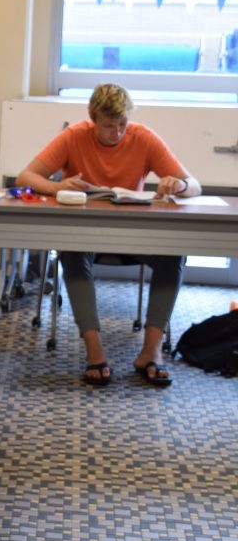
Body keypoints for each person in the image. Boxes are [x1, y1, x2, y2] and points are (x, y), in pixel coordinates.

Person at [17, 83, 201, 387]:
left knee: (174, 253)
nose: (116, 132)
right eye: (108, 126)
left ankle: (151, 351)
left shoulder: (142, 137)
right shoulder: (75, 135)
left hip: (133, 234)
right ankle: (94, 351)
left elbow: (194, 184)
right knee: (72, 253)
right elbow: (27, 176)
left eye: (121, 124)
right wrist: (57, 187)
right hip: (84, 233)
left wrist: (179, 185)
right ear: (93, 119)